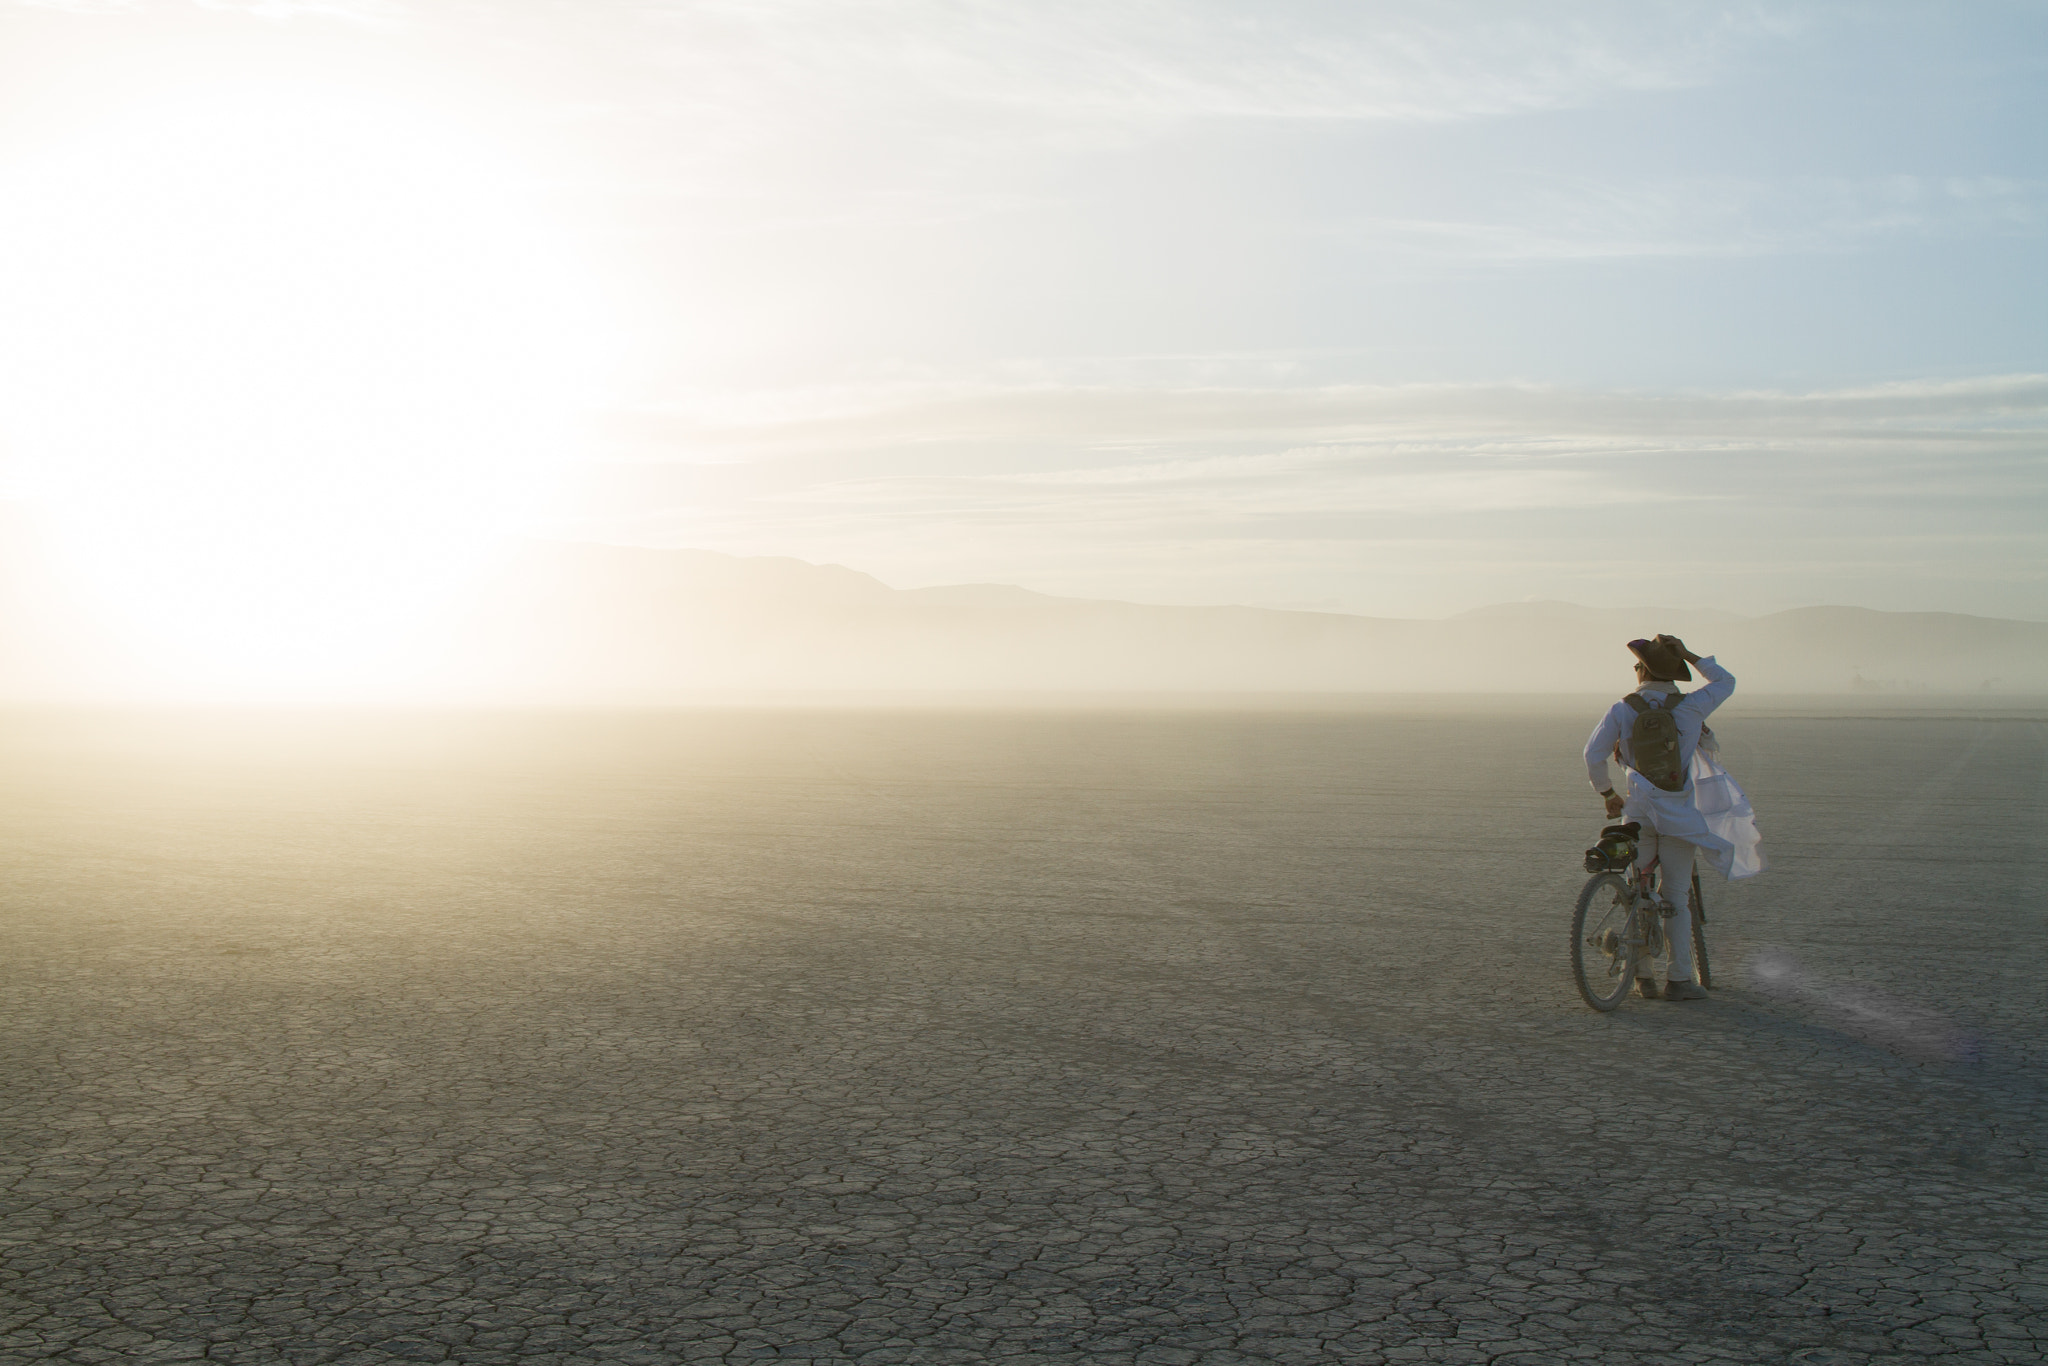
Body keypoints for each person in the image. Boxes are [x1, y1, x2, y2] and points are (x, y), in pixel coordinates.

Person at [1581, 635, 1736, 1002]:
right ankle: (1680, 979)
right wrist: (1690, 656)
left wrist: (1608, 794)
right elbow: (1726, 681)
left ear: (1643, 670)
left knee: (1638, 889)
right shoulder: (1692, 706)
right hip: (1679, 813)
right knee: (1675, 896)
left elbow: (1592, 754)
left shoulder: (1623, 709)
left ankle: (1642, 974)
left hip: (1637, 812)